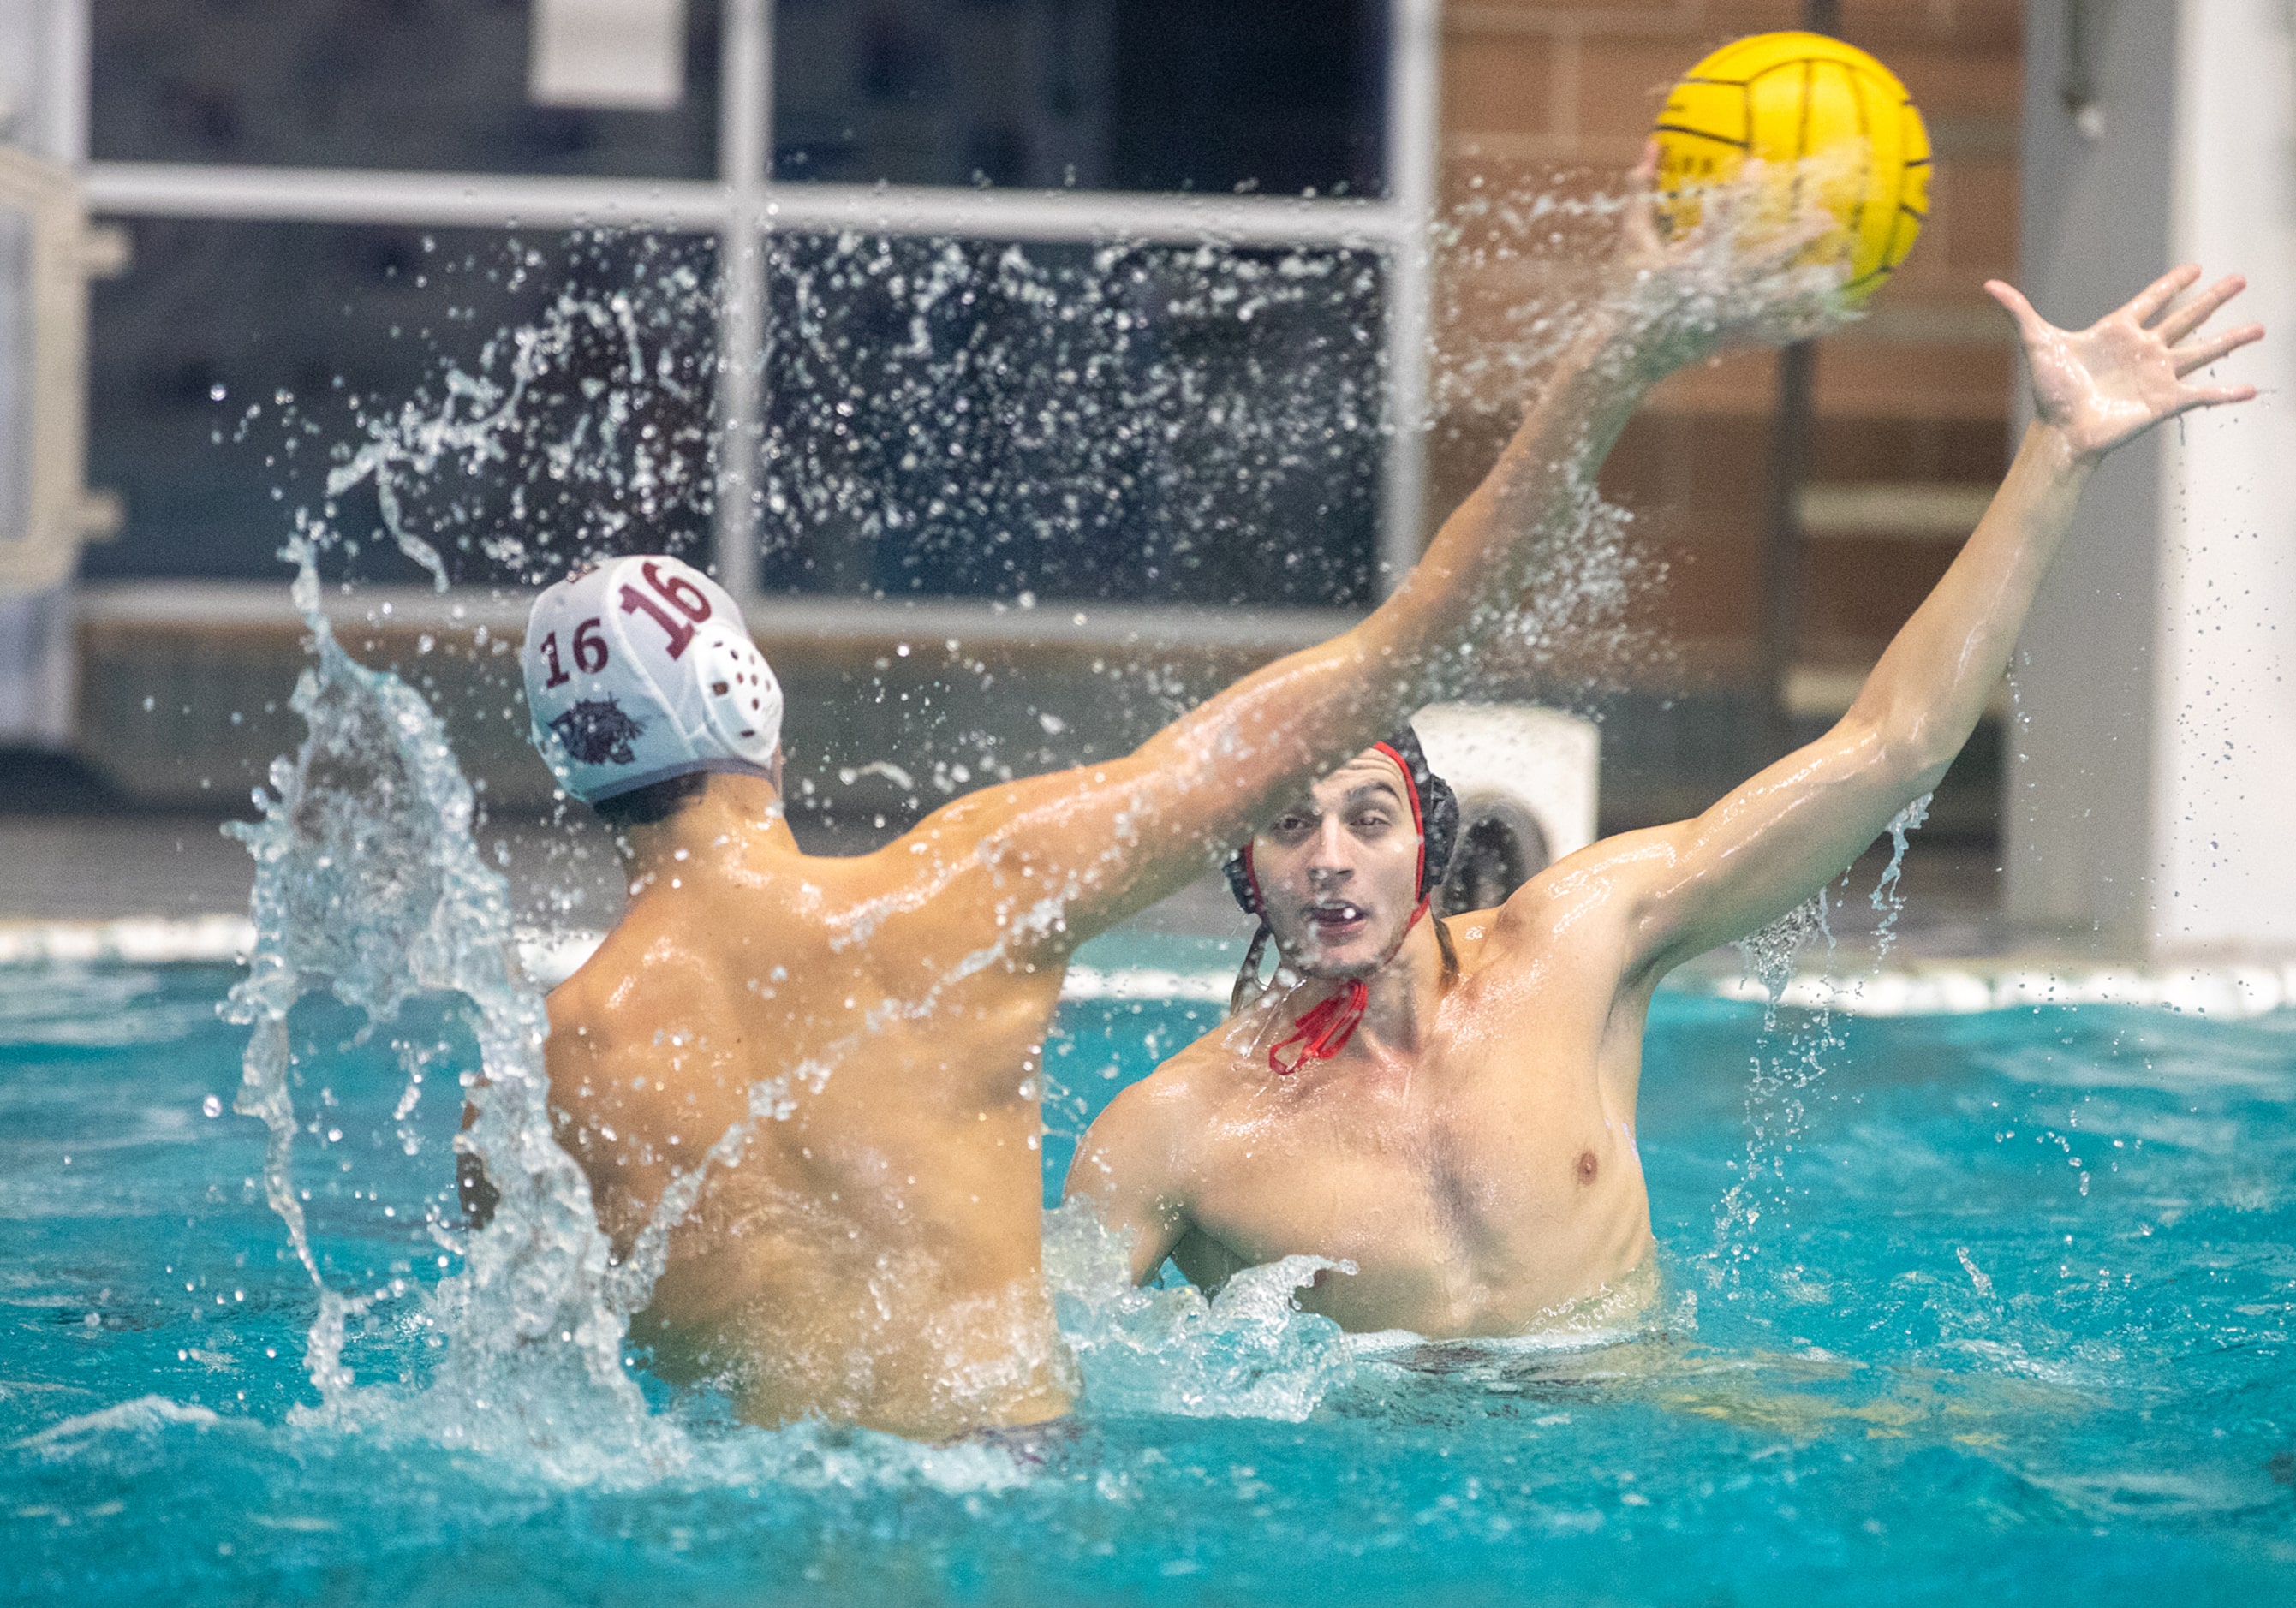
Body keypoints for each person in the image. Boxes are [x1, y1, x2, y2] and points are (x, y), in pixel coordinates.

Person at [484, 167, 1842, 1440]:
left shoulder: (535, 1080)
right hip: (1012, 1496)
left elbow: (538, 1391)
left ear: (573, 774)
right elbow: (1419, 635)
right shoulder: (958, 898)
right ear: (762, 722)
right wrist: (1620, 349)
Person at [1066, 265, 2262, 1337]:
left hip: (1640, 1429)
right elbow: (1013, 1377)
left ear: (1428, 840)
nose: (1329, 855)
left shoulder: (1579, 946)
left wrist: (2058, 452)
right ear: (1241, 869)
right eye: (1286, 824)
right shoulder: (1175, 1133)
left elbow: (1887, 748)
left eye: (1367, 818)